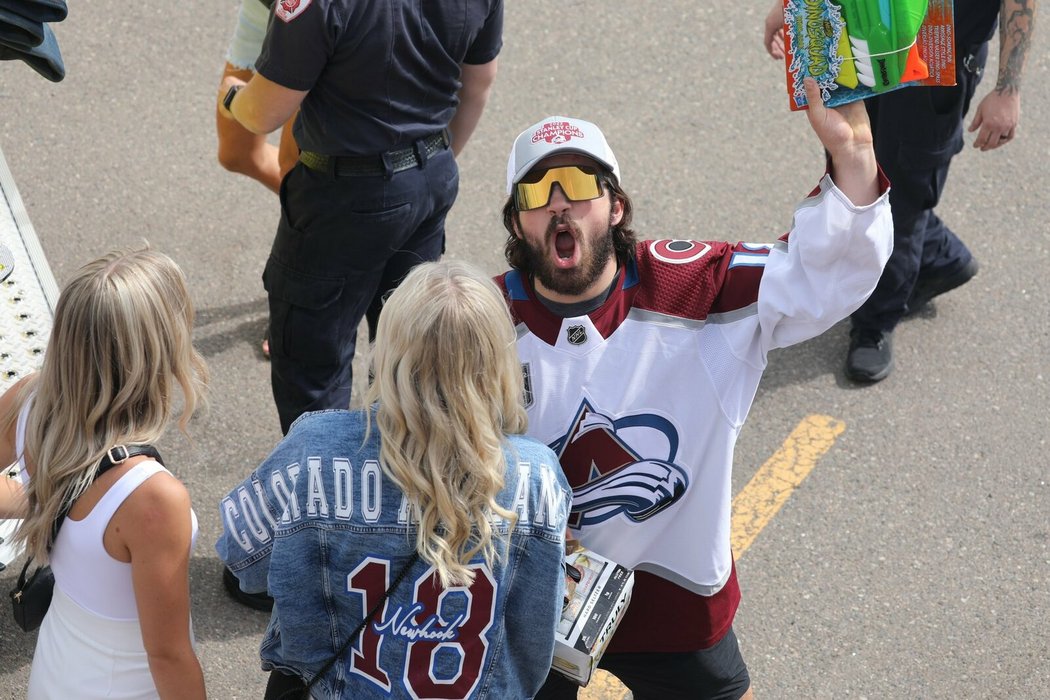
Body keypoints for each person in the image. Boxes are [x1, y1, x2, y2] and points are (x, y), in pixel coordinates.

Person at [494, 85, 893, 699]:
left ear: (616, 207)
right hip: (532, 607)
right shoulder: (481, 324)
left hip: (677, 608)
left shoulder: (697, 289)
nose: (558, 206)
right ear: (517, 223)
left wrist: (854, 154)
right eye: (535, 193)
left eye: (576, 183)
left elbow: (824, 276)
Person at [216, 260, 571, 699]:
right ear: (497, 361)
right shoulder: (537, 477)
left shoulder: (314, 449)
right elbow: (537, 632)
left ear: (390, 351)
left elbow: (242, 562)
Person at [216, 0, 503, 434]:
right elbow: (478, 81)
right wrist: (427, 163)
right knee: (409, 355)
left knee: (315, 371)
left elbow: (265, 112)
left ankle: (331, 493)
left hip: (341, 197)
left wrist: (233, 97)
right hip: (430, 176)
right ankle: (404, 476)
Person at [764, 0, 1038, 382]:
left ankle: (875, 323)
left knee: (902, 193)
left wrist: (1008, 89)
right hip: (849, 27)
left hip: (932, 49)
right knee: (852, 168)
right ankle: (940, 254)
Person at [0, 246, 209, 699]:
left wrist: (37, 501)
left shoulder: (27, 402)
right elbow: (167, 655)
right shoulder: (152, 497)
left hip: (57, 664)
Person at [215, 0, 299, 359]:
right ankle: (342, 216)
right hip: (263, 15)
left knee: (298, 172)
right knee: (236, 153)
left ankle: (298, 297)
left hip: (313, 22)